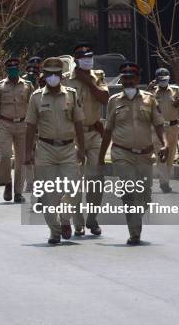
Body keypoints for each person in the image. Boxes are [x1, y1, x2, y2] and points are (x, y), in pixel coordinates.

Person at [98, 61, 167, 245]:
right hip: (122, 153)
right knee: (130, 191)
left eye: (131, 78)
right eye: (125, 79)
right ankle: (134, 233)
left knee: (144, 196)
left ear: (138, 79)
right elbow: (108, 131)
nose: (128, 82)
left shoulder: (150, 99)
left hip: (145, 155)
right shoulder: (114, 101)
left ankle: (136, 218)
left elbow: (159, 124)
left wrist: (164, 144)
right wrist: (100, 158)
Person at [25, 58, 85, 245]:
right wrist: (28, 152)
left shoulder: (72, 95)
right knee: (48, 194)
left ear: (61, 76)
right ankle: (55, 231)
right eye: (49, 74)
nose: (53, 77)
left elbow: (79, 123)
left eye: (56, 74)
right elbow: (30, 126)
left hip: (68, 148)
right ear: (44, 76)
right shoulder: (36, 97)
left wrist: (82, 148)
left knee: (74, 190)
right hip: (45, 149)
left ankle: (65, 218)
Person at [62, 48, 109, 236]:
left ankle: (92, 219)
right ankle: (77, 221)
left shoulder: (97, 76)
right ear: (76, 60)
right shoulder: (66, 79)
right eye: (84, 58)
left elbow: (104, 98)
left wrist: (88, 82)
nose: (88, 61)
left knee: (97, 179)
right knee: (73, 182)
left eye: (90, 57)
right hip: (73, 135)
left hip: (94, 133)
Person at [0, 57, 34, 203]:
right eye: (10, 69)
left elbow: (33, 107)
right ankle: (7, 183)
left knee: (22, 160)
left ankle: (18, 192)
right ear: (6, 71)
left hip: (23, 125)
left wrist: (34, 128)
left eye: (15, 69)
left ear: (19, 69)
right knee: (5, 155)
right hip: (5, 123)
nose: (13, 71)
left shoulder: (28, 85)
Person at [147, 67, 179, 193]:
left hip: (173, 127)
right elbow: (144, 105)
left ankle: (166, 180)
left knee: (170, 156)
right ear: (157, 79)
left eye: (165, 78)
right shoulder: (152, 92)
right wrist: (149, 90)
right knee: (161, 155)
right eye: (161, 79)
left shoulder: (175, 90)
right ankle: (164, 183)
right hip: (158, 128)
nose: (163, 81)